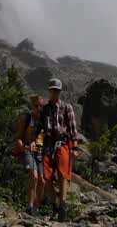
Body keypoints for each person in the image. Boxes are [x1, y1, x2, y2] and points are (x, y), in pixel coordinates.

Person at [34, 78, 79, 222]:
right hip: (47, 145)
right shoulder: (45, 109)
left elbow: (73, 130)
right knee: (46, 177)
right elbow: (39, 128)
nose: (55, 93)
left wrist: (75, 148)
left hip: (62, 144)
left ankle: (63, 205)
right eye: (53, 90)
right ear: (49, 91)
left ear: (60, 92)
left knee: (63, 174)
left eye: (57, 90)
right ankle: (54, 204)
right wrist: (35, 142)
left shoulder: (67, 108)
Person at [14, 94, 45, 217]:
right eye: (36, 106)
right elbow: (18, 137)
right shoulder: (26, 119)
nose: (38, 108)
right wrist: (22, 145)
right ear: (32, 106)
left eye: (41, 106)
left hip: (39, 153)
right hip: (27, 151)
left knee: (42, 181)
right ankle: (30, 206)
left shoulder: (44, 122)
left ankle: (35, 208)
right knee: (34, 175)